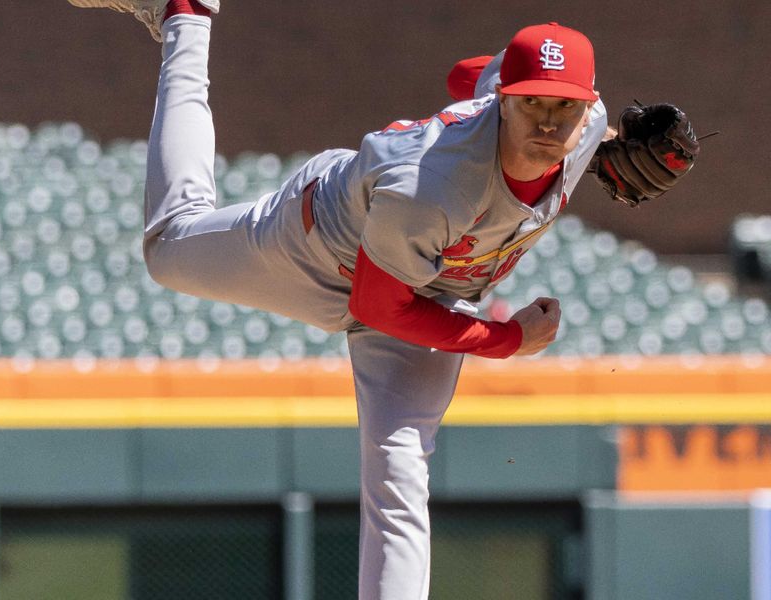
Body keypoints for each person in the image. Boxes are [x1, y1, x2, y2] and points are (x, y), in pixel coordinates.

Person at [66, 2, 696, 598]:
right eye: (532, 104)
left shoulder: (584, 130)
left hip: (428, 285)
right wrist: (505, 341)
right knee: (169, 250)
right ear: (505, 103)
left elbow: (465, 75)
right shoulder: (434, 185)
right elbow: (378, 307)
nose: (549, 124)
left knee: (399, 472)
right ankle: (187, 17)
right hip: (319, 253)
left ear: (587, 109)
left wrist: (601, 130)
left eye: (565, 107)